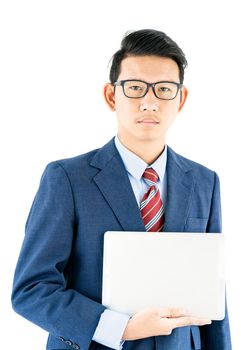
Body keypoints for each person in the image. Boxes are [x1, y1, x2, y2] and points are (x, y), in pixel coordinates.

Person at [12, 29, 232, 350]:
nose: (150, 102)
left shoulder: (204, 181)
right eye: (135, 87)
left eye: (164, 89)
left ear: (181, 99)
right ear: (112, 96)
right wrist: (121, 328)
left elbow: (213, 292)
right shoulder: (66, 178)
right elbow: (31, 289)